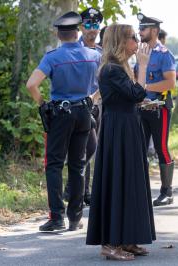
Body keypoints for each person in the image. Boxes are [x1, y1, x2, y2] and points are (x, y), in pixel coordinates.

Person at [86, 24, 156, 261]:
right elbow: (137, 93)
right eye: (133, 38)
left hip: (127, 127)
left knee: (131, 181)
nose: (137, 42)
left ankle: (126, 238)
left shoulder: (119, 68)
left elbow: (131, 97)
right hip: (119, 130)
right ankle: (110, 243)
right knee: (118, 180)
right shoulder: (112, 70)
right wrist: (143, 66)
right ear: (120, 41)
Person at [26, 11, 100, 232]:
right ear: (78, 31)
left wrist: (42, 103)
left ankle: (56, 217)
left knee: (55, 165)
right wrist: (91, 100)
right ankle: (75, 219)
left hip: (61, 114)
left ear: (59, 35)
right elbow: (103, 85)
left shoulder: (53, 57)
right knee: (78, 166)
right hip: (84, 114)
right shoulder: (93, 56)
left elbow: (31, 84)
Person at [63, 7, 104, 206]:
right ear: (81, 26)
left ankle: (87, 192)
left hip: (98, 104)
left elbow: (106, 81)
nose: (92, 29)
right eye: (88, 24)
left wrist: (96, 98)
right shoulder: (72, 49)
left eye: (95, 25)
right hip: (78, 106)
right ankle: (77, 188)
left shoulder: (102, 53)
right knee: (83, 148)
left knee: (94, 148)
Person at [136, 13, 177, 207]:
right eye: (140, 28)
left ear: (154, 31)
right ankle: (140, 190)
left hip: (160, 108)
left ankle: (166, 192)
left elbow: (171, 82)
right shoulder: (140, 52)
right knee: (140, 149)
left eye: (143, 28)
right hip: (142, 108)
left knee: (161, 148)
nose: (140, 31)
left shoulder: (164, 54)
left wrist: (145, 88)